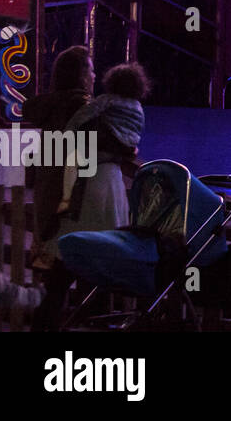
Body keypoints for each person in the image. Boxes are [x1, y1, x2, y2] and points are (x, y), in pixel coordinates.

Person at [33, 62, 146, 331]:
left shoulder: (78, 105)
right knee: (98, 261)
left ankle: (46, 325)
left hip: (82, 184)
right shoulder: (124, 108)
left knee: (66, 262)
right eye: (91, 70)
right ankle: (92, 325)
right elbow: (119, 143)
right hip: (103, 184)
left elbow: (70, 138)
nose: (94, 75)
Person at [23, 47, 93, 260]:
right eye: (91, 70)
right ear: (80, 76)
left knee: (51, 268)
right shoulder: (81, 108)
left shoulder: (51, 107)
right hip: (69, 196)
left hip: (46, 191)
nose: (94, 75)